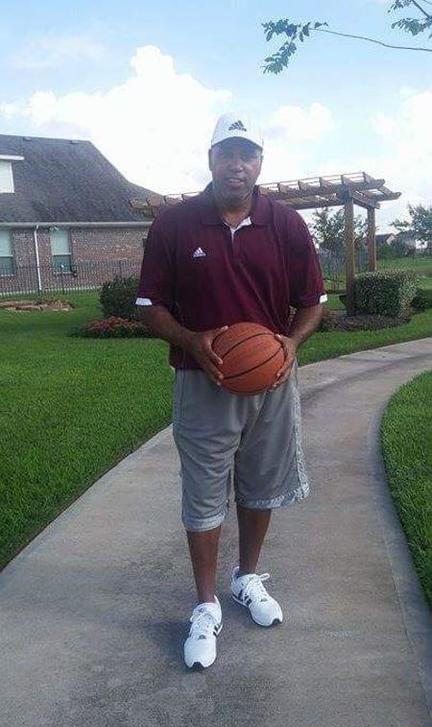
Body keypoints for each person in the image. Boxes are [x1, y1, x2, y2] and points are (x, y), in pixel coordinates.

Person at [135, 112, 327, 670]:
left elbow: (312, 302)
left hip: (272, 382)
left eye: (247, 154)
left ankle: (246, 578)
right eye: (227, 153)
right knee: (203, 494)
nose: (236, 165)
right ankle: (205, 604)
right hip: (202, 382)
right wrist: (190, 340)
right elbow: (149, 306)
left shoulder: (286, 224)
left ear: (260, 162)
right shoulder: (174, 224)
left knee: (260, 485)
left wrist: (291, 342)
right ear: (211, 158)